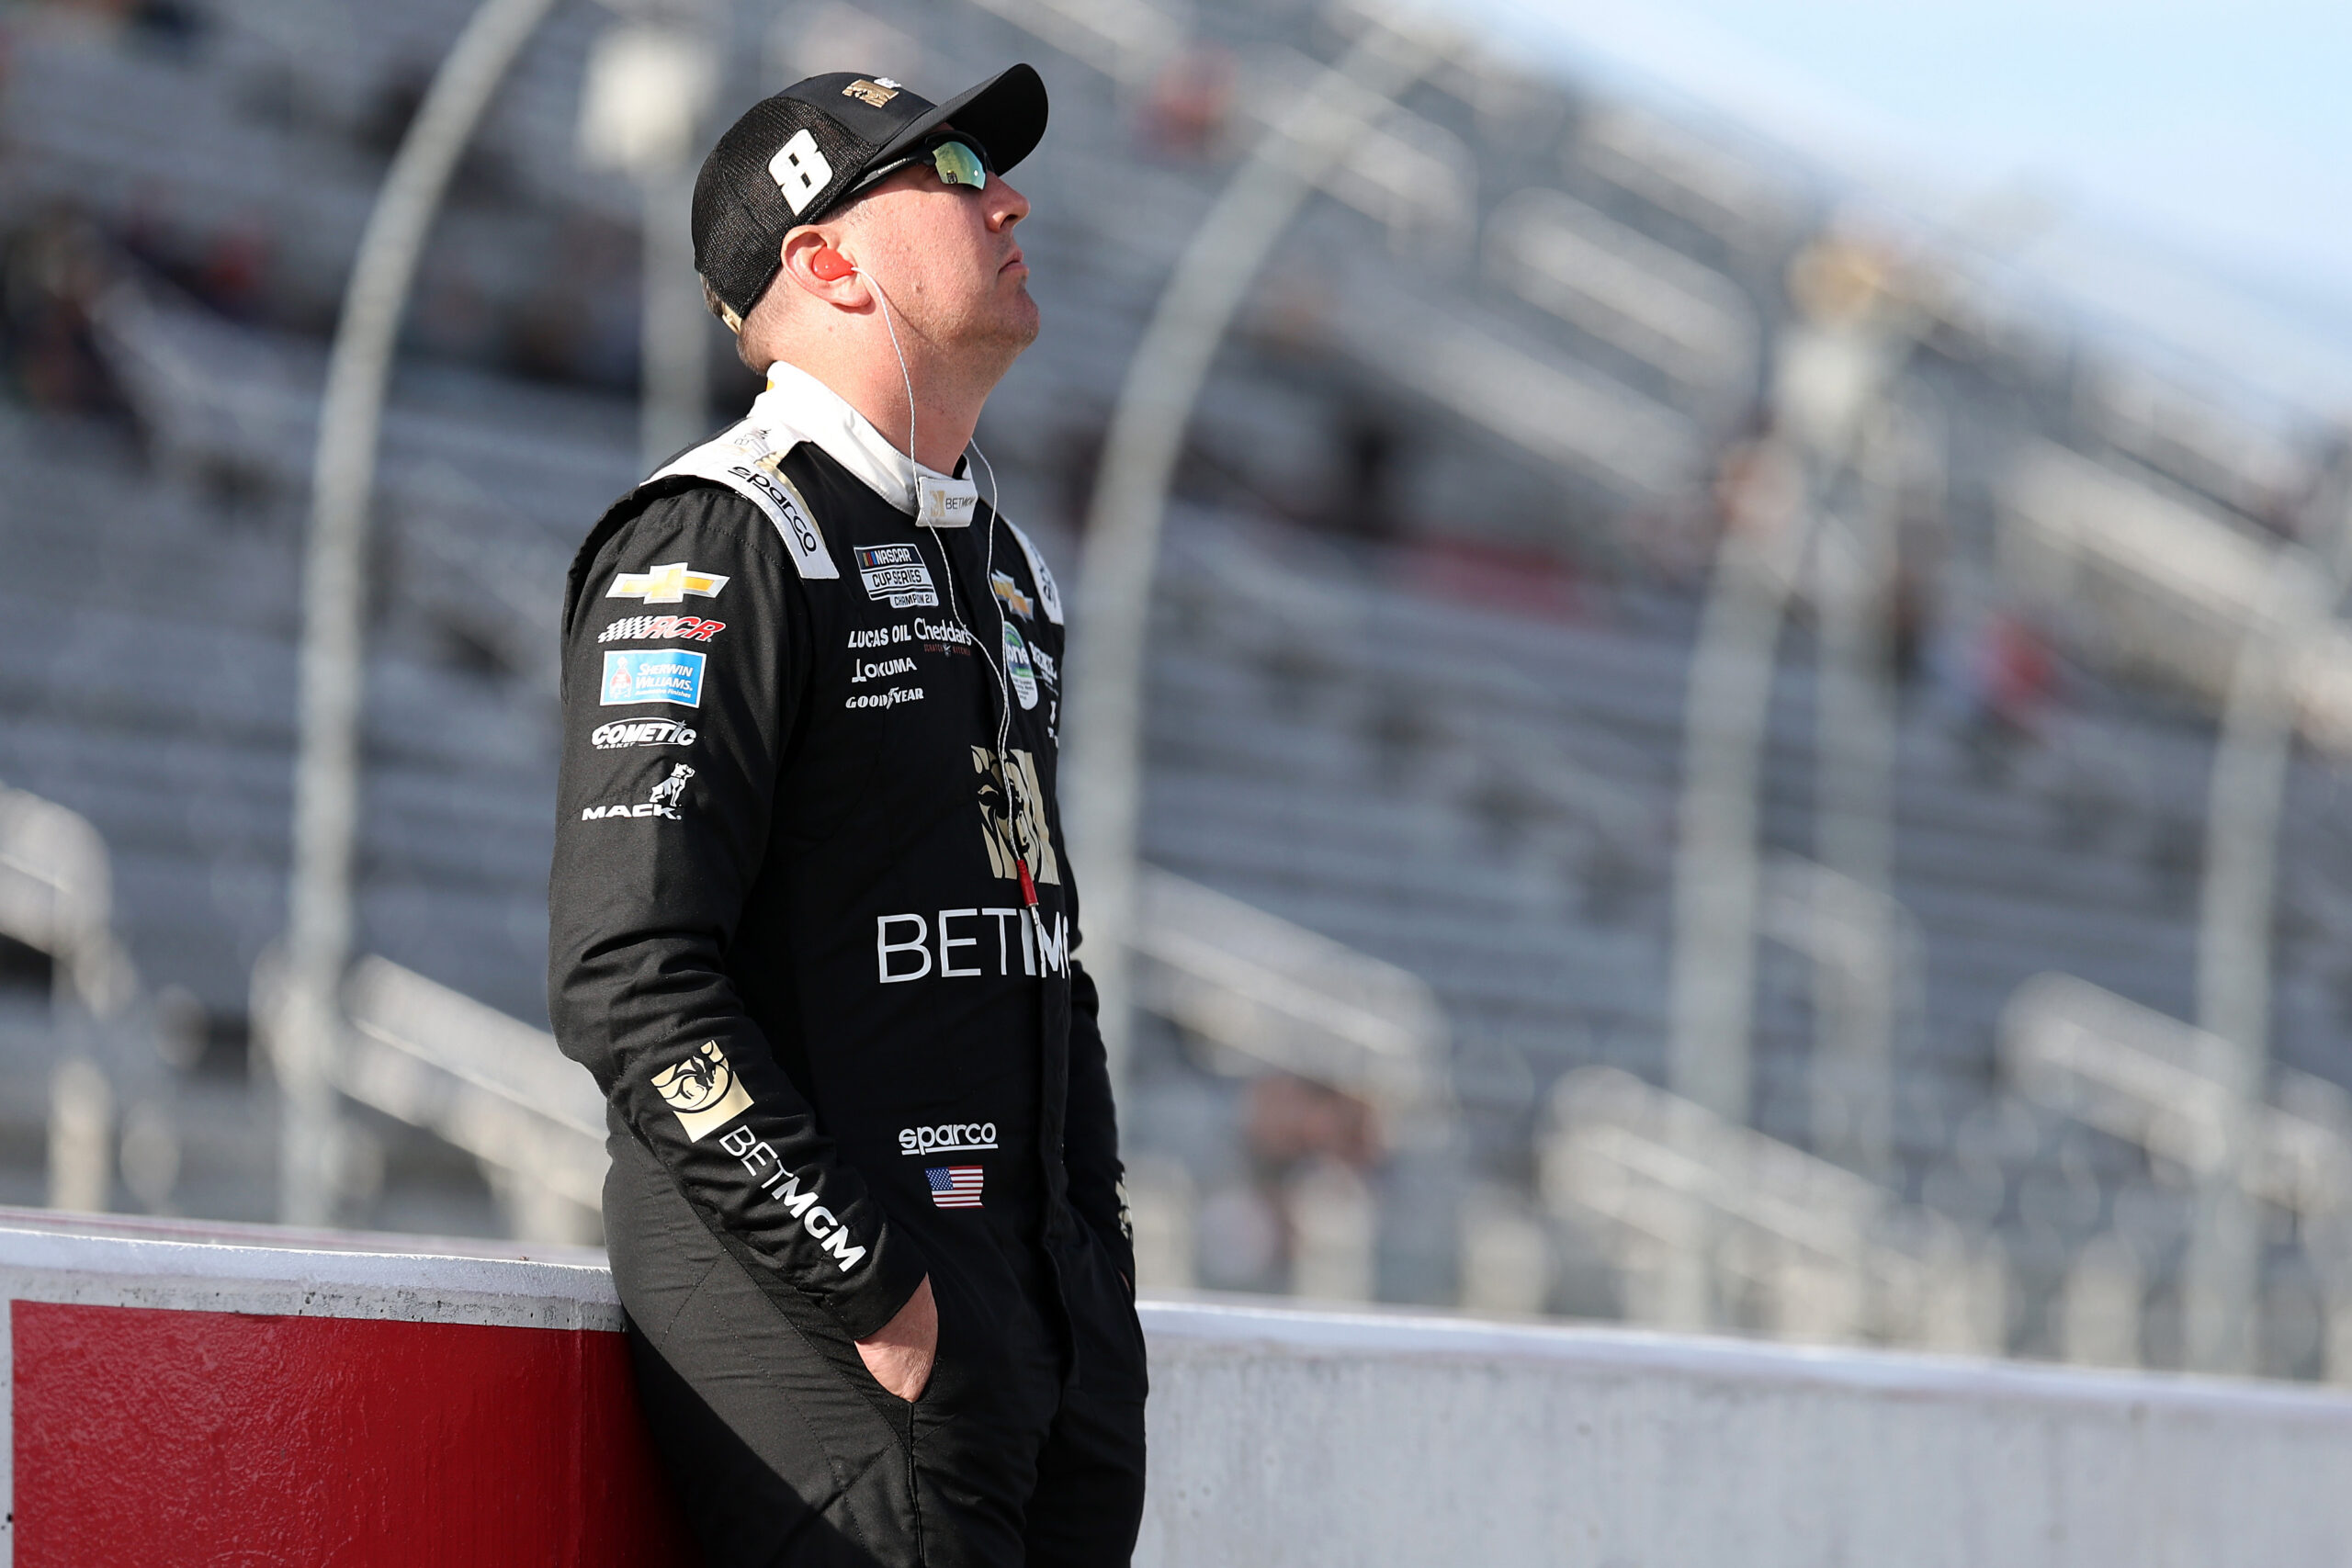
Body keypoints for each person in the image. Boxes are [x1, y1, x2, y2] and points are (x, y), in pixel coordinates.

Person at [547, 65, 1146, 1568]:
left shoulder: (1002, 564)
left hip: (1033, 1339)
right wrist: (873, 1288)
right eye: (947, 171)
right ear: (825, 263)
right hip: (848, 1350)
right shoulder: (718, 537)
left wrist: (1093, 1275)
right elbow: (632, 981)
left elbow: (1039, 956)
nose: (1005, 197)